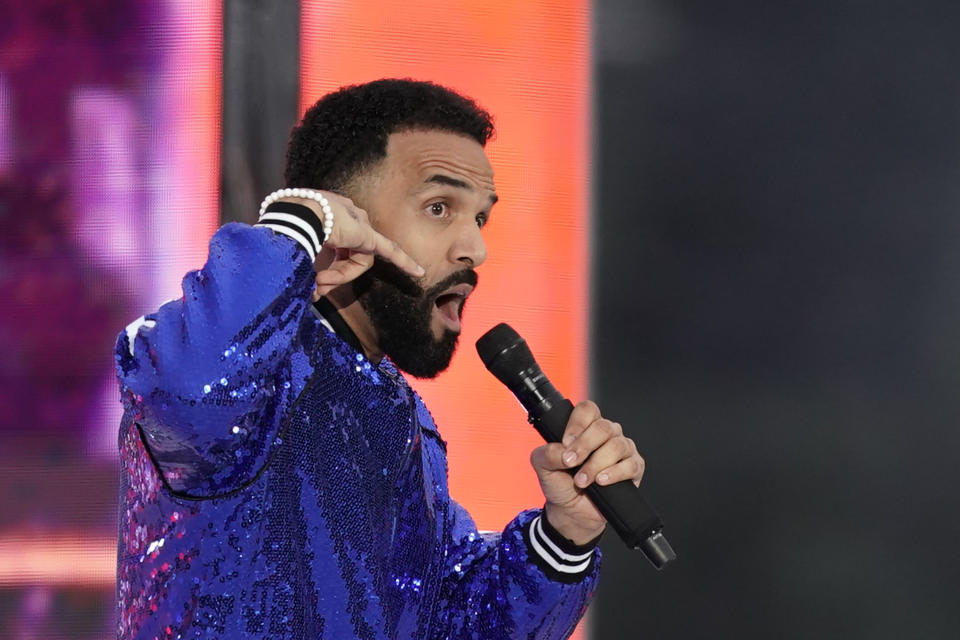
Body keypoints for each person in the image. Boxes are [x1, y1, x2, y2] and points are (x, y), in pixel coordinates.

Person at [115, 79, 645, 640]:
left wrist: (562, 537)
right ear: (346, 218)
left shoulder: (401, 414)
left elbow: (453, 623)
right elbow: (192, 389)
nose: (475, 249)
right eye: (440, 207)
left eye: (480, 218)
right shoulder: (257, 371)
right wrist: (295, 227)